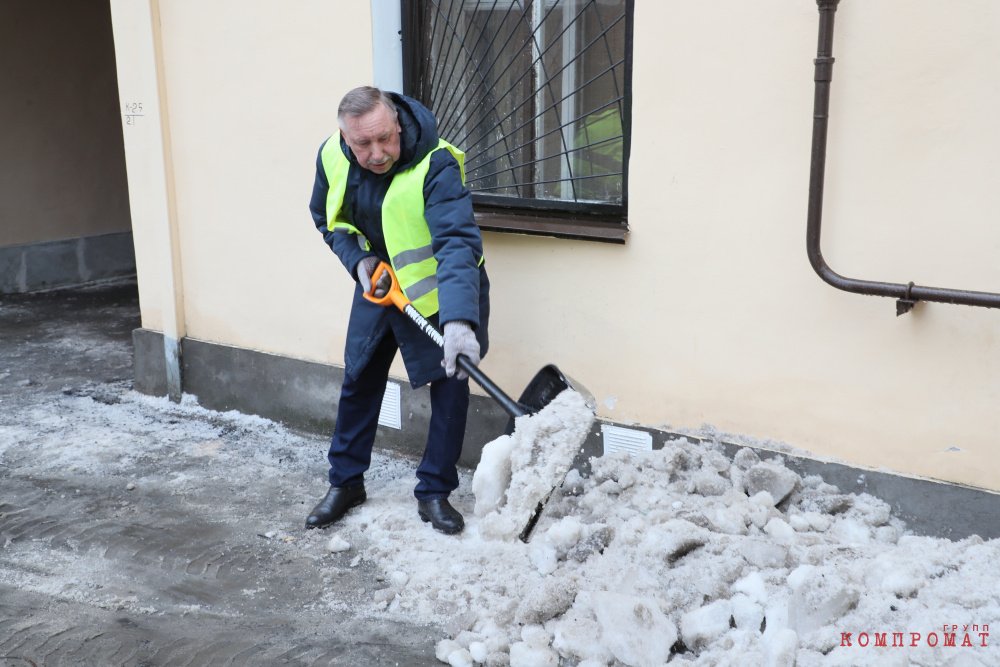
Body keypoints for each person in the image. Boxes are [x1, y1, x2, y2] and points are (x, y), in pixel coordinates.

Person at [306, 86, 489, 535]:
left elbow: (456, 244)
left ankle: (434, 491)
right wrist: (358, 261)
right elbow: (325, 219)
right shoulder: (332, 156)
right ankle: (346, 482)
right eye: (362, 144)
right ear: (345, 138)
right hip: (381, 284)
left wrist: (460, 321)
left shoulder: (436, 163)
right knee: (359, 377)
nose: (377, 153)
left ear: (397, 123)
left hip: (442, 293)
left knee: (450, 385)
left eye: (384, 138)